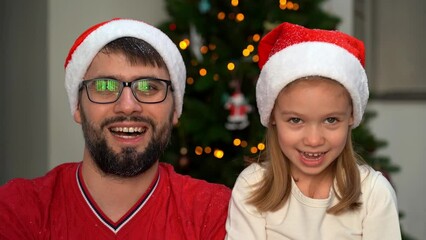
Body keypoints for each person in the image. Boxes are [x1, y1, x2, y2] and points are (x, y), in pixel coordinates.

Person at [0, 18, 231, 239]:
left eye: (150, 87)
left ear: (175, 110)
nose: (128, 106)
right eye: (105, 86)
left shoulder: (216, 211)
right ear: (78, 107)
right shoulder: (16, 208)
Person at [225, 22, 401, 239]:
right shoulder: (253, 185)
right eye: (296, 120)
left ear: (352, 116)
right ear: (271, 116)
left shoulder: (374, 194)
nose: (314, 140)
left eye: (330, 120)